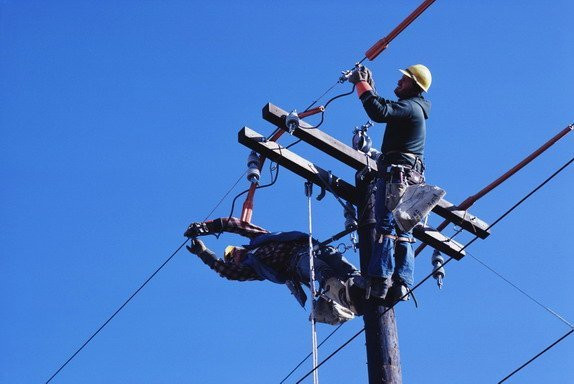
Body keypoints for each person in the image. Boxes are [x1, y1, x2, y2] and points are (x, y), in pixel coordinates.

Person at [348, 64, 432, 303]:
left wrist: (360, 85)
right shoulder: (413, 108)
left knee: (387, 228)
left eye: (403, 80)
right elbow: (386, 107)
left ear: (414, 85)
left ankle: (380, 279)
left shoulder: (411, 108)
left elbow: (379, 113)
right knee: (403, 229)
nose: (398, 83)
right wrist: (370, 88)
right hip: (410, 177)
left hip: (398, 176)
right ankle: (402, 283)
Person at [184, 217, 365, 323]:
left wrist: (207, 227)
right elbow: (227, 272)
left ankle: (360, 284)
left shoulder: (259, 239)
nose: (233, 256)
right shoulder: (253, 268)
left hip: (309, 245)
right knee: (319, 268)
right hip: (295, 262)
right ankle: (344, 297)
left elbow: (237, 225)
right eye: (230, 259)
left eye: (232, 251)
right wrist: (204, 253)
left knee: (337, 260)